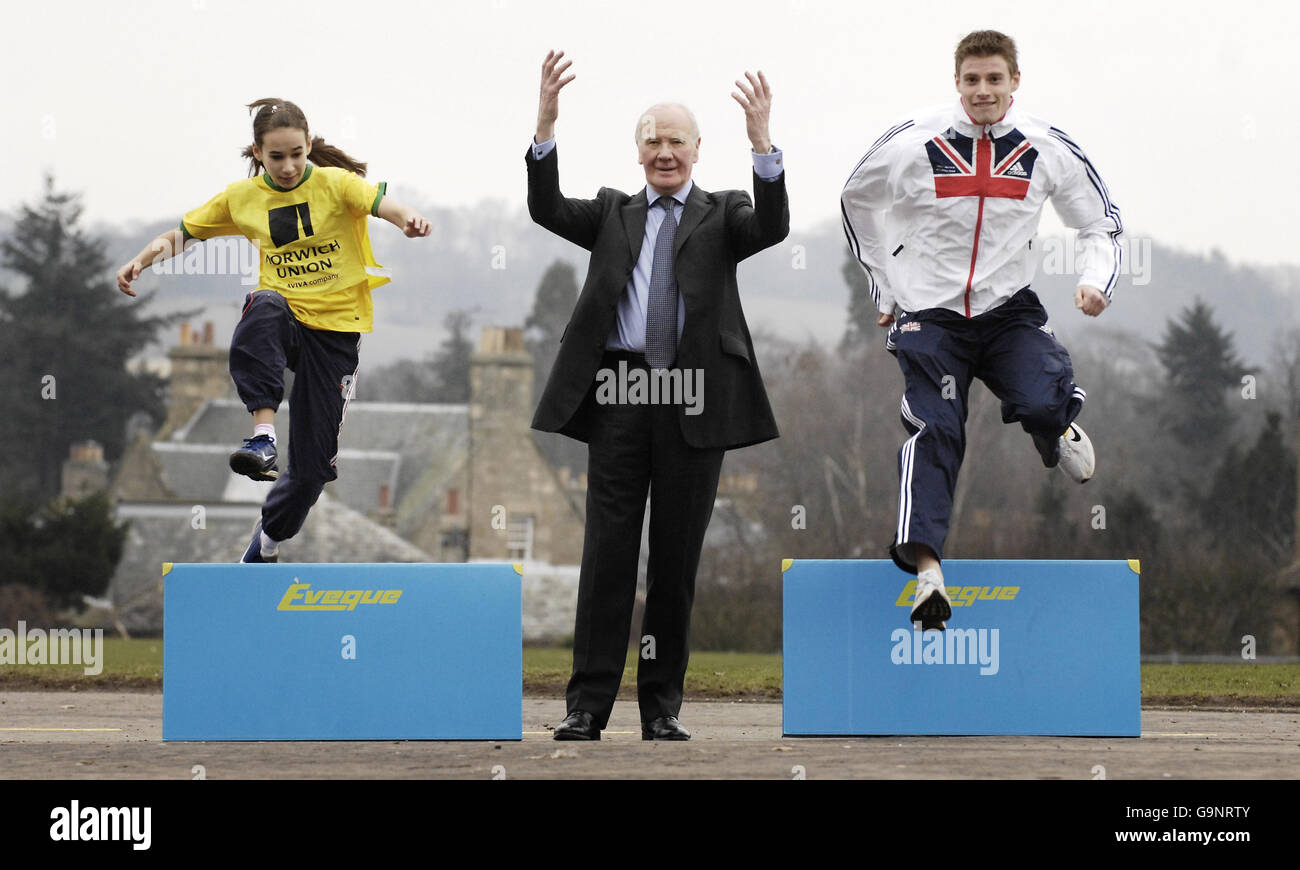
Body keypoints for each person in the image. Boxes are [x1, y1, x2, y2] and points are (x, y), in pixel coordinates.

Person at [527, 51, 788, 740]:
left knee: (674, 562)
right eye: (653, 140)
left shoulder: (726, 212)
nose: (665, 151)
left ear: (698, 150)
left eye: (677, 141)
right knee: (608, 556)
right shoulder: (613, 212)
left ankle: (661, 708)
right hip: (620, 394)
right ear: (638, 150)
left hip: (694, 401)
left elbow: (772, 228)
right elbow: (546, 206)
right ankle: (585, 705)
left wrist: (763, 146)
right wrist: (547, 121)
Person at [840, 30, 1123, 630]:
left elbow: (1100, 222)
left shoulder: (1047, 147)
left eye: (995, 79)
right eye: (972, 80)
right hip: (929, 318)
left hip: (1005, 311)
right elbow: (854, 198)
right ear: (957, 81)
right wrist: (883, 285)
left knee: (1044, 396)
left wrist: (1097, 279)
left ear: (1015, 81)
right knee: (936, 430)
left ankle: (1053, 427)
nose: (983, 91)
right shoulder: (914, 140)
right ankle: (927, 574)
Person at [116, 98, 431, 563]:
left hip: (336, 335)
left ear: (308, 147)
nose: (288, 167)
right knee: (263, 303)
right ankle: (262, 436)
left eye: (297, 155)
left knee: (311, 473)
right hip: (286, 319)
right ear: (258, 153)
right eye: (277, 157)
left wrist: (408, 218)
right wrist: (141, 260)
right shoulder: (242, 199)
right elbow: (183, 233)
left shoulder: (333, 184)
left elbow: (381, 203)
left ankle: (266, 543)